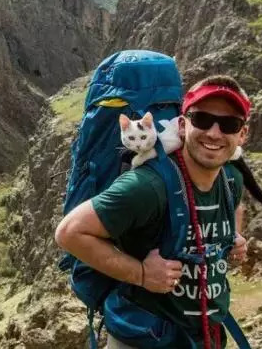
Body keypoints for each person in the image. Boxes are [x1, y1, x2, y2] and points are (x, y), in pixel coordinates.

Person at [55, 75, 251, 348]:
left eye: (229, 124)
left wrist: (232, 237)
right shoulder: (147, 186)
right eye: (202, 120)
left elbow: (234, 208)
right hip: (145, 338)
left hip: (205, 335)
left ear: (242, 134)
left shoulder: (231, 179)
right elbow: (69, 233)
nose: (214, 133)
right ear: (183, 126)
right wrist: (142, 275)